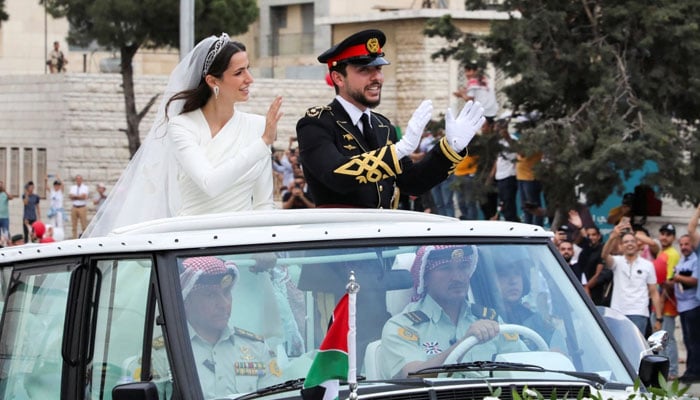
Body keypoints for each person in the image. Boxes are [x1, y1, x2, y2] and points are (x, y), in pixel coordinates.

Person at [82, 33, 283, 237]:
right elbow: (210, 184)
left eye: (248, 69)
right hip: (193, 245)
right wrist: (263, 143)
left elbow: (263, 203)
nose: (250, 79)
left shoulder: (258, 125)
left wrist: (265, 247)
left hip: (244, 248)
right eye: (239, 72)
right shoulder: (182, 126)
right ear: (213, 81)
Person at [296, 29, 485, 209]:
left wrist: (449, 150)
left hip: (383, 235)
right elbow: (336, 175)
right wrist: (399, 150)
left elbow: (413, 183)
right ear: (338, 78)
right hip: (340, 236)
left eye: (378, 69)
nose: (376, 78)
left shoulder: (382, 125)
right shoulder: (317, 123)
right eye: (364, 70)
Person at [379, 245, 526, 379]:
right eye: (445, 268)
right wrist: (464, 343)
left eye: (463, 266)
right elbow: (413, 376)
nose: (457, 277)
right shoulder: (401, 327)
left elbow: (527, 363)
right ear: (425, 277)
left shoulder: (489, 319)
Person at [176, 256, 281, 397]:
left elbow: (275, 395)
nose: (223, 304)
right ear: (187, 301)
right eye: (211, 295)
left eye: (226, 293)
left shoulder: (257, 347)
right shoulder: (167, 353)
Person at [601, 219, 663, 335]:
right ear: (621, 246)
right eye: (626, 242)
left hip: (639, 313)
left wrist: (659, 318)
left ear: (637, 244)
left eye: (632, 241)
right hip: (617, 313)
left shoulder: (647, 265)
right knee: (618, 349)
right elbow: (604, 255)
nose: (629, 244)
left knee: (636, 350)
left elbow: (654, 292)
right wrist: (613, 236)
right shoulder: (617, 262)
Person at [494, 258, 565, 351]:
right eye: (504, 275)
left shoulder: (534, 320)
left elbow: (556, 345)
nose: (513, 281)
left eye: (517, 274)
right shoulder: (483, 318)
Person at [652, 223, 680, 379]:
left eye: (668, 234)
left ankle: (673, 371)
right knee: (659, 339)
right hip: (658, 305)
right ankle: (664, 370)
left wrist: (660, 308)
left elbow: (668, 283)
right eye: (662, 233)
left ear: (673, 237)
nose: (664, 237)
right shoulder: (662, 253)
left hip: (666, 304)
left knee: (667, 338)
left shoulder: (673, 254)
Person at [671, 234, 700, 384]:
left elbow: (695, 280)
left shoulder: (696, 260)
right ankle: (690, 369)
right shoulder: (682, 260)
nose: (684, 247)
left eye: (687, 244)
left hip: (693, 305)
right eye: (681, 244)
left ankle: (695, 371)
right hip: (682, 306)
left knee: (694, 340)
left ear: (692, 244)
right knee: (687, 340)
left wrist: (678, 278)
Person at [69, 175, 89, 239]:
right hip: (74, 207)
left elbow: (84, 196)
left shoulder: (85, 187)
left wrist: (75, 197)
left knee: (84, 225)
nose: (78, 181)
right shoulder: (73, 187)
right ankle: (74, 238)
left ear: (81, 180)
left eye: (79, 179)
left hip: (82, 207)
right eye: (77, 179)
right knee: (74, 225)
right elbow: (71, 197)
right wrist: (79, 196)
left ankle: (85, 238)